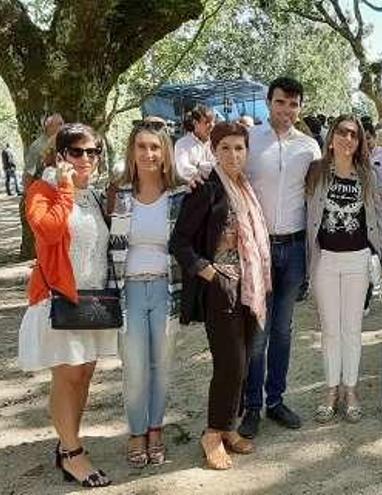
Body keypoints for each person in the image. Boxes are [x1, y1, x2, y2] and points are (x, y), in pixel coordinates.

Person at [19, 123, 115, 487]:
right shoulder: (43, 189)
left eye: (93, 152)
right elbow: (50, 231)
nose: (86, 158)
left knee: (85, 375)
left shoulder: (92, 194)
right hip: (58, 299)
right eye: (77, 151)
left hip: (91, 299)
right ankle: (73, 454)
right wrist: (64, 187)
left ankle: (67, 445)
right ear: (61, 156)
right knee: (68, 375)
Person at [170, 122, 271, 469]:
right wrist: (210, 273)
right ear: (214, 151)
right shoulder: (206, 189)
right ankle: (212, 434)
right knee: (230, 364)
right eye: (225, 148)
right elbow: (179, 242)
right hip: (222, 289)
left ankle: (229, 427)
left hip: (251, 286)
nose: (232, 154)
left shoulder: (246, 187)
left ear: (247, 151)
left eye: (239, 148)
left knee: (243, 363)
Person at [239, 77, 322, 438]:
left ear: (300, 107)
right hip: (258, 249)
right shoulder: (249, 142)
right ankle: (252, 405)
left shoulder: (310, 148)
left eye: (293, 104)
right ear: (268, 102)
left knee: (283, 330)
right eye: (280, 102)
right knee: (256, 332)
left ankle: (276, 400)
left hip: (294, 247)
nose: (286, 110)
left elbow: (320, 195)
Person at [109, 123, 187, 468]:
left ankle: (156, 429)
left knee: (162, 366)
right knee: (135, 369)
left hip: (166, 290)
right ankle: (136, 432)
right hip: (129, 293)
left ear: (165, 152)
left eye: (155, 147)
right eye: (141, 147)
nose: (148, 154)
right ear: (132, 151)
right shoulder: (118, 194)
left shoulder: (179, 196)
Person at [305, 116, 382, 423]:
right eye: (341, 132)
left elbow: (379, 217)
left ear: (360, 142)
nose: (347, 138)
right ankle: (330, 391)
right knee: (330, 331)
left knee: (352, 330)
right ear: (331, 138)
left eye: (353, 134)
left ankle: (350, 389)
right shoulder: (315, 172)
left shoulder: (369, 175)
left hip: (357, 259)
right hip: (325, 259)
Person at [20, 114, 64, 260]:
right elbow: (28, 175)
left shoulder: (60, 143)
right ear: (48, 126)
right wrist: (30, 199)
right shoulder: (38, 146)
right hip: (42, 197)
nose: (63, 126)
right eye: (59, 123)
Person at [174, 104, 215, 181]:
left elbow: (219, 166)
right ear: (195, 123)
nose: (212, 126)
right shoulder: (183, 144)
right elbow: (183, 169)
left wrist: (198, 165)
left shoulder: (214, 143)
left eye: (213, 122)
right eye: (207, 122)